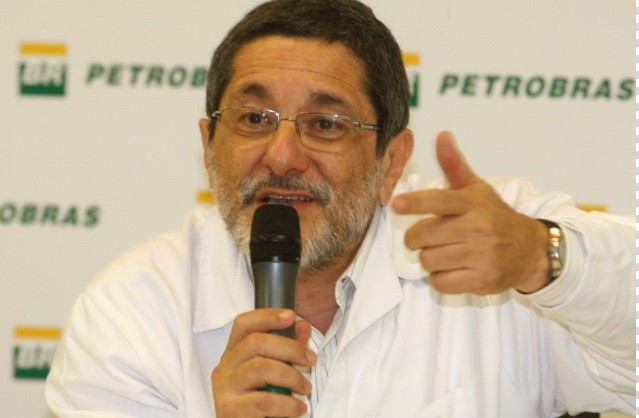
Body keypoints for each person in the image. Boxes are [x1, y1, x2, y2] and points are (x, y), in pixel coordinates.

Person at [45, 1, 634, 417]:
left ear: (391, 161)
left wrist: (540, 258)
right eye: (255, 119)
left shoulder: (487, 256)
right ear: (208, 146)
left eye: (325, 124)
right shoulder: (131, 314)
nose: (281, 156)